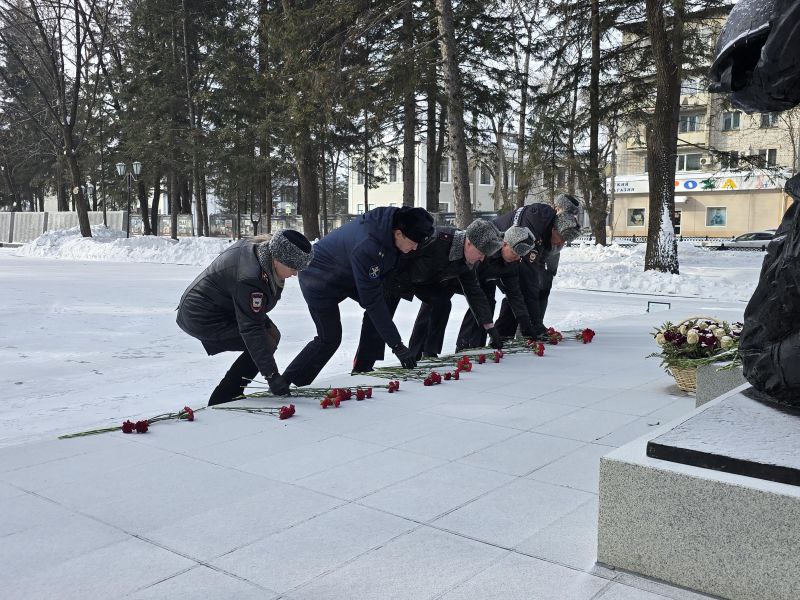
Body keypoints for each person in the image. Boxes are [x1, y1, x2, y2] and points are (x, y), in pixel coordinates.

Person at [281, 206, 435, 389]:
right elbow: (372, 301)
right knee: (329, 337)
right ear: (399, 234)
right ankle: (288, 382)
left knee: (387, 299)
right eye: (413, 242)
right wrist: (397, 345)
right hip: (318, 276)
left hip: (347, 272)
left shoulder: (394, 224)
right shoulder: (368, 245)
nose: (415, 247)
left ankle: (363, 365)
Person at [176, 230, 313, 405]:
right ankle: (224, 396)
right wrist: (272, 376)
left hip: (223, 307)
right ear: (278, 259)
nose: (295, 274)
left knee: (272, 335)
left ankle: (232, 390)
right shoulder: (250, 278)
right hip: (202, 316)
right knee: (264, 339)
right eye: (293, 268)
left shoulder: (265, 254)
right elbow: (251, 329)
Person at [352, 218, 504, 369]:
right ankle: (362, 365)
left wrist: (489, 327)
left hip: (422, 281)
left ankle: (428, 352)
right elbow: (399, 253)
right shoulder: (435, 239)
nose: (482, 258)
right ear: (469, 242)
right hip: (394, 277)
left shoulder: (467, 260)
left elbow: (474, 292)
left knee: (442, 302)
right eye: (481, 252)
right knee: (379, 318)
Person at [493, 194, 581, 340]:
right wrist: (536, 325)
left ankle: (524, 332)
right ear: (554, 229)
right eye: (561, 239)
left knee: (533, 287)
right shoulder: (534, 228)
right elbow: (529, 280)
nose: (561, 244)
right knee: (518, 292)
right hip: (498, 250)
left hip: (515, 252)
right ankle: (505, 336)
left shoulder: (548, 224)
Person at [454, 226, 537, 351]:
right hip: (459, 277)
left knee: (488, 303)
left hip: (484, 280)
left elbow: (514, 293)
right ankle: (464, 346)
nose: (517, 258)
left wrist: (525, 322)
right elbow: (472, 288)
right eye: (514, 253)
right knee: (479, 304)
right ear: (505, 244)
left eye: (519, 256)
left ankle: (478, 345)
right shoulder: (487, 248)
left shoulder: (512, 264)